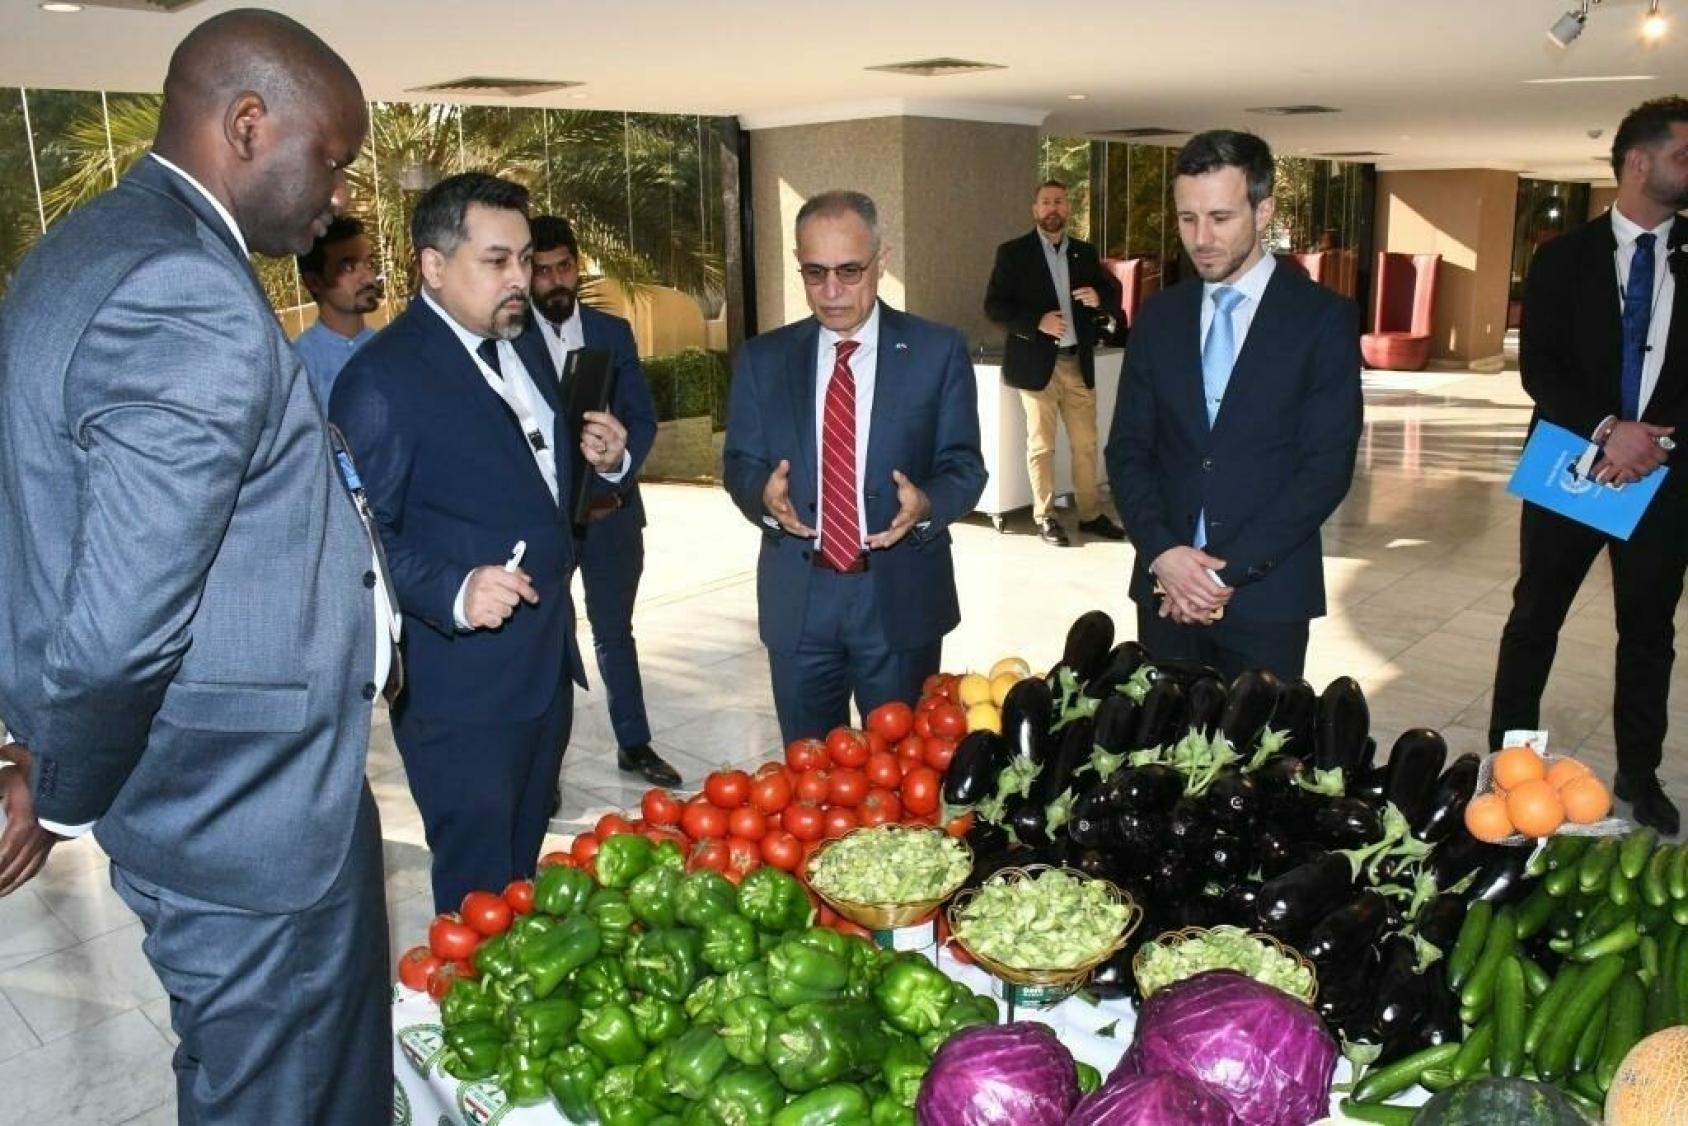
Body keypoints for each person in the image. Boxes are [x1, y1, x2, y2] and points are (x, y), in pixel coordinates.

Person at [0, 10, 394, 1123]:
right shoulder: (185, 292)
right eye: (330, 159)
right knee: (290, 1096)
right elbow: (125, 615)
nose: (335, 198)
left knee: (252, 1075)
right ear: (248, 122)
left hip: (203, 793)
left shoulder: (89, 243)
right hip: (248, 815)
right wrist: (60, 786)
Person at [332, 173, 630, 912]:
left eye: (525, 260)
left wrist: (606, 459)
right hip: (458, 687)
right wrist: (454, 590)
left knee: (520, 876)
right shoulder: (381, 382)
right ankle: (462, 1022)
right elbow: (351, 542)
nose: (520, 280)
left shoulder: (520, 341)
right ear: (433, 267)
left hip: (542, 664)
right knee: (474, 893)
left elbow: (534, 476)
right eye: (497, 261)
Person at [1489, 96, 1688, 835]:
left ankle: (1640, 773)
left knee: (1649, 632)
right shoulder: (1561, 258)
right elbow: (1539, 366)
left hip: (1663, 478)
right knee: (1535, 617)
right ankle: (1510, 763)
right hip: (1572, 463)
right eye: (1683, 156)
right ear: (1639, 162)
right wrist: (1610, 430)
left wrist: (1654, 441)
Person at [723, 190, 986, 742]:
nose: (832, 290)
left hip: (899, 597)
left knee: (899, 778)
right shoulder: (763, 360)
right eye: (815, 273)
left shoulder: (936, 351)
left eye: (849, 270)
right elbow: (741, 462)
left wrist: (927, 504)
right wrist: (762, 498)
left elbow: (964, 466)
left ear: (881, 261)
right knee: (806, 781)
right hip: (800, 598)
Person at [1105, 130, 1362, 682]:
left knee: (1257, 762)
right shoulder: (1159, 317)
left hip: (1268, 598)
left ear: (1263, 209)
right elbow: (1128, 448)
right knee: (1160, 760)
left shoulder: (1321, 319)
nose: (1201, 238)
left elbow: (1324, 469)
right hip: (1163, 592)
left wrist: (1223, 575)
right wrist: (1164, 555)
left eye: (1220, 218)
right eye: (1187, 218)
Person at [527, 215, 680, 789]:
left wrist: (617, 459)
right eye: (541, 271)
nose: (554, 280)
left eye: (563, 266)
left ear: (577, 263)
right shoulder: (512, 341)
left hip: (613, 518)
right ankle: (545, 770)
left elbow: (641, 419)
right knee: (551, 641)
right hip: (548, 529)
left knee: (615, 632)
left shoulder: (611, 333)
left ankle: (634, 744)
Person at [985, 179, 1128, 546]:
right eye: (1046, 202)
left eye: (1059, 202)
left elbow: (1112, 292)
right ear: (1035, 210)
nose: (1053, 208)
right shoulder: (1013, 253)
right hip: (1036, 366)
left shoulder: (1083, 252)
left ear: (1068, 209)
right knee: (1041, 447)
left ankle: (1091, 514)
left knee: (1086, 444)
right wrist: (1036, 323)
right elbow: (995, 306)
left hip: (1077, 363)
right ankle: (1044, 518)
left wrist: (1100, 298)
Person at [293, 215, 381, 407]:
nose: (367, 278)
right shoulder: (298, 366)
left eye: (368, 263)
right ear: (314, 282)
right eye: (349, 267)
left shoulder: (391, 349)